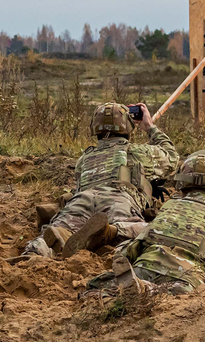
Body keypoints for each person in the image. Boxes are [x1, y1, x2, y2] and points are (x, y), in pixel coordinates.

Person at [22, 102, 178, 259]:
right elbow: (172, 158)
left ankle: (42, 246)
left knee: (60, 228)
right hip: (119, 199)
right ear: (128, 126)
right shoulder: (137, 152)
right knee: (146, 232)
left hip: (82, 199)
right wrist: (149, 126)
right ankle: (111, 233)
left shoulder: (84, 159)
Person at [88, 150, 205, 294]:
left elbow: (133, 249)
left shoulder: (168, 209)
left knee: (98, 286)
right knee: (179, 291)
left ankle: (141, 287)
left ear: (181, 183)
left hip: (144, 267)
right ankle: (146, 290)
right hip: (187, 281)